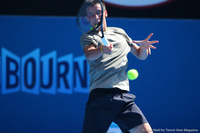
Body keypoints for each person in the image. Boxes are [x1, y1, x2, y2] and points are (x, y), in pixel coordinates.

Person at [79, 0, 159, 133]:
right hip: (100, 97)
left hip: (123, 97)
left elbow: (140, 55)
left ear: (105, 13)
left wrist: (144, 48)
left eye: (99, 12)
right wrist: (102, 49)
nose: (96, 17)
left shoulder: (120, 32)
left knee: (146, 131)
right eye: (91, 14)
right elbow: (89, 54)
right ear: (87, 18)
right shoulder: (87, 36)